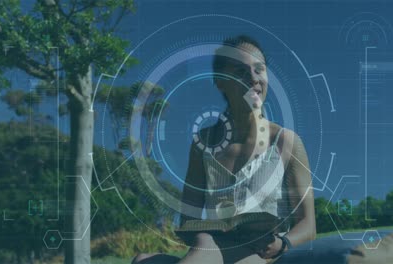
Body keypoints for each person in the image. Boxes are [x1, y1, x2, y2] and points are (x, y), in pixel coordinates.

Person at [133, 35, 316, 264]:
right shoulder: (203, 144)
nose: (253, 79)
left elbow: (308, 225)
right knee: (145, 260)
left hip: (261, 255)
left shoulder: (286, 142)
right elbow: (188, 220)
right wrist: (204, 235)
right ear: (220, 81)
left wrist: (283, 244)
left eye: (259, 70)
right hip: (213, 247)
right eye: (240, 71)